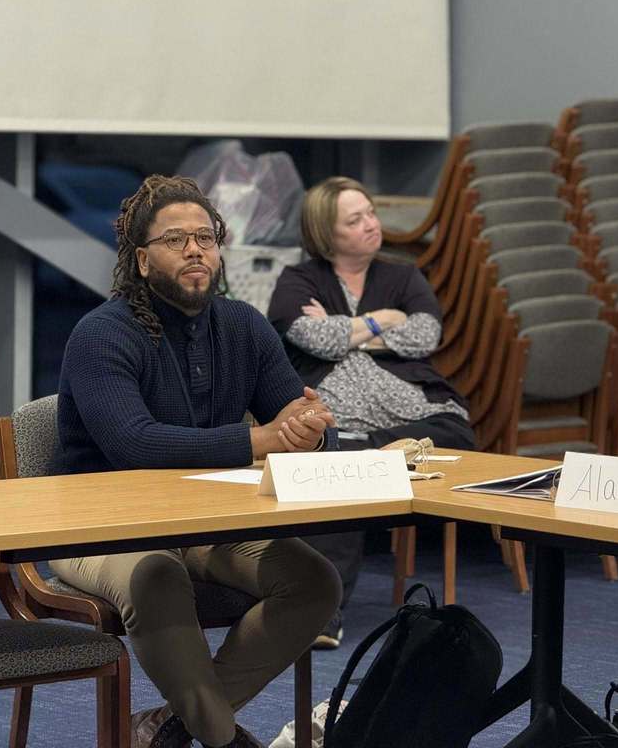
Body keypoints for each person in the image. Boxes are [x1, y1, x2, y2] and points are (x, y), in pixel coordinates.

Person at [52, 175, 343, 748]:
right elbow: (135, 445)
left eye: (206, 238)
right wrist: (262, 442)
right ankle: (223, 738)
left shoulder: (243, 326)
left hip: (204, 518)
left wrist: (309, 433)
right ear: (141, 259)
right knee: (155, 574)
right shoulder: (101, 335)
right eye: (176, 239)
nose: (195, 250)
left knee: (313, 581)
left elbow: (292, 417)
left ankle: (172, 727)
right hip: (95, 523)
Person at [267, 176, 475, 647]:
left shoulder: (402, 273)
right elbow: (306, 335)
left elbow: (425, 335)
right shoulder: (298, 279)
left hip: (411, 404)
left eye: (371, 213)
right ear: (326, 233)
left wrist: (348, 330)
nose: (370, 225)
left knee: (453, 434)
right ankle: (323, 614)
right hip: (337, 408)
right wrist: (384, 321)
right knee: (334, 463)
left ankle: (367, 453)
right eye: (354, 220)